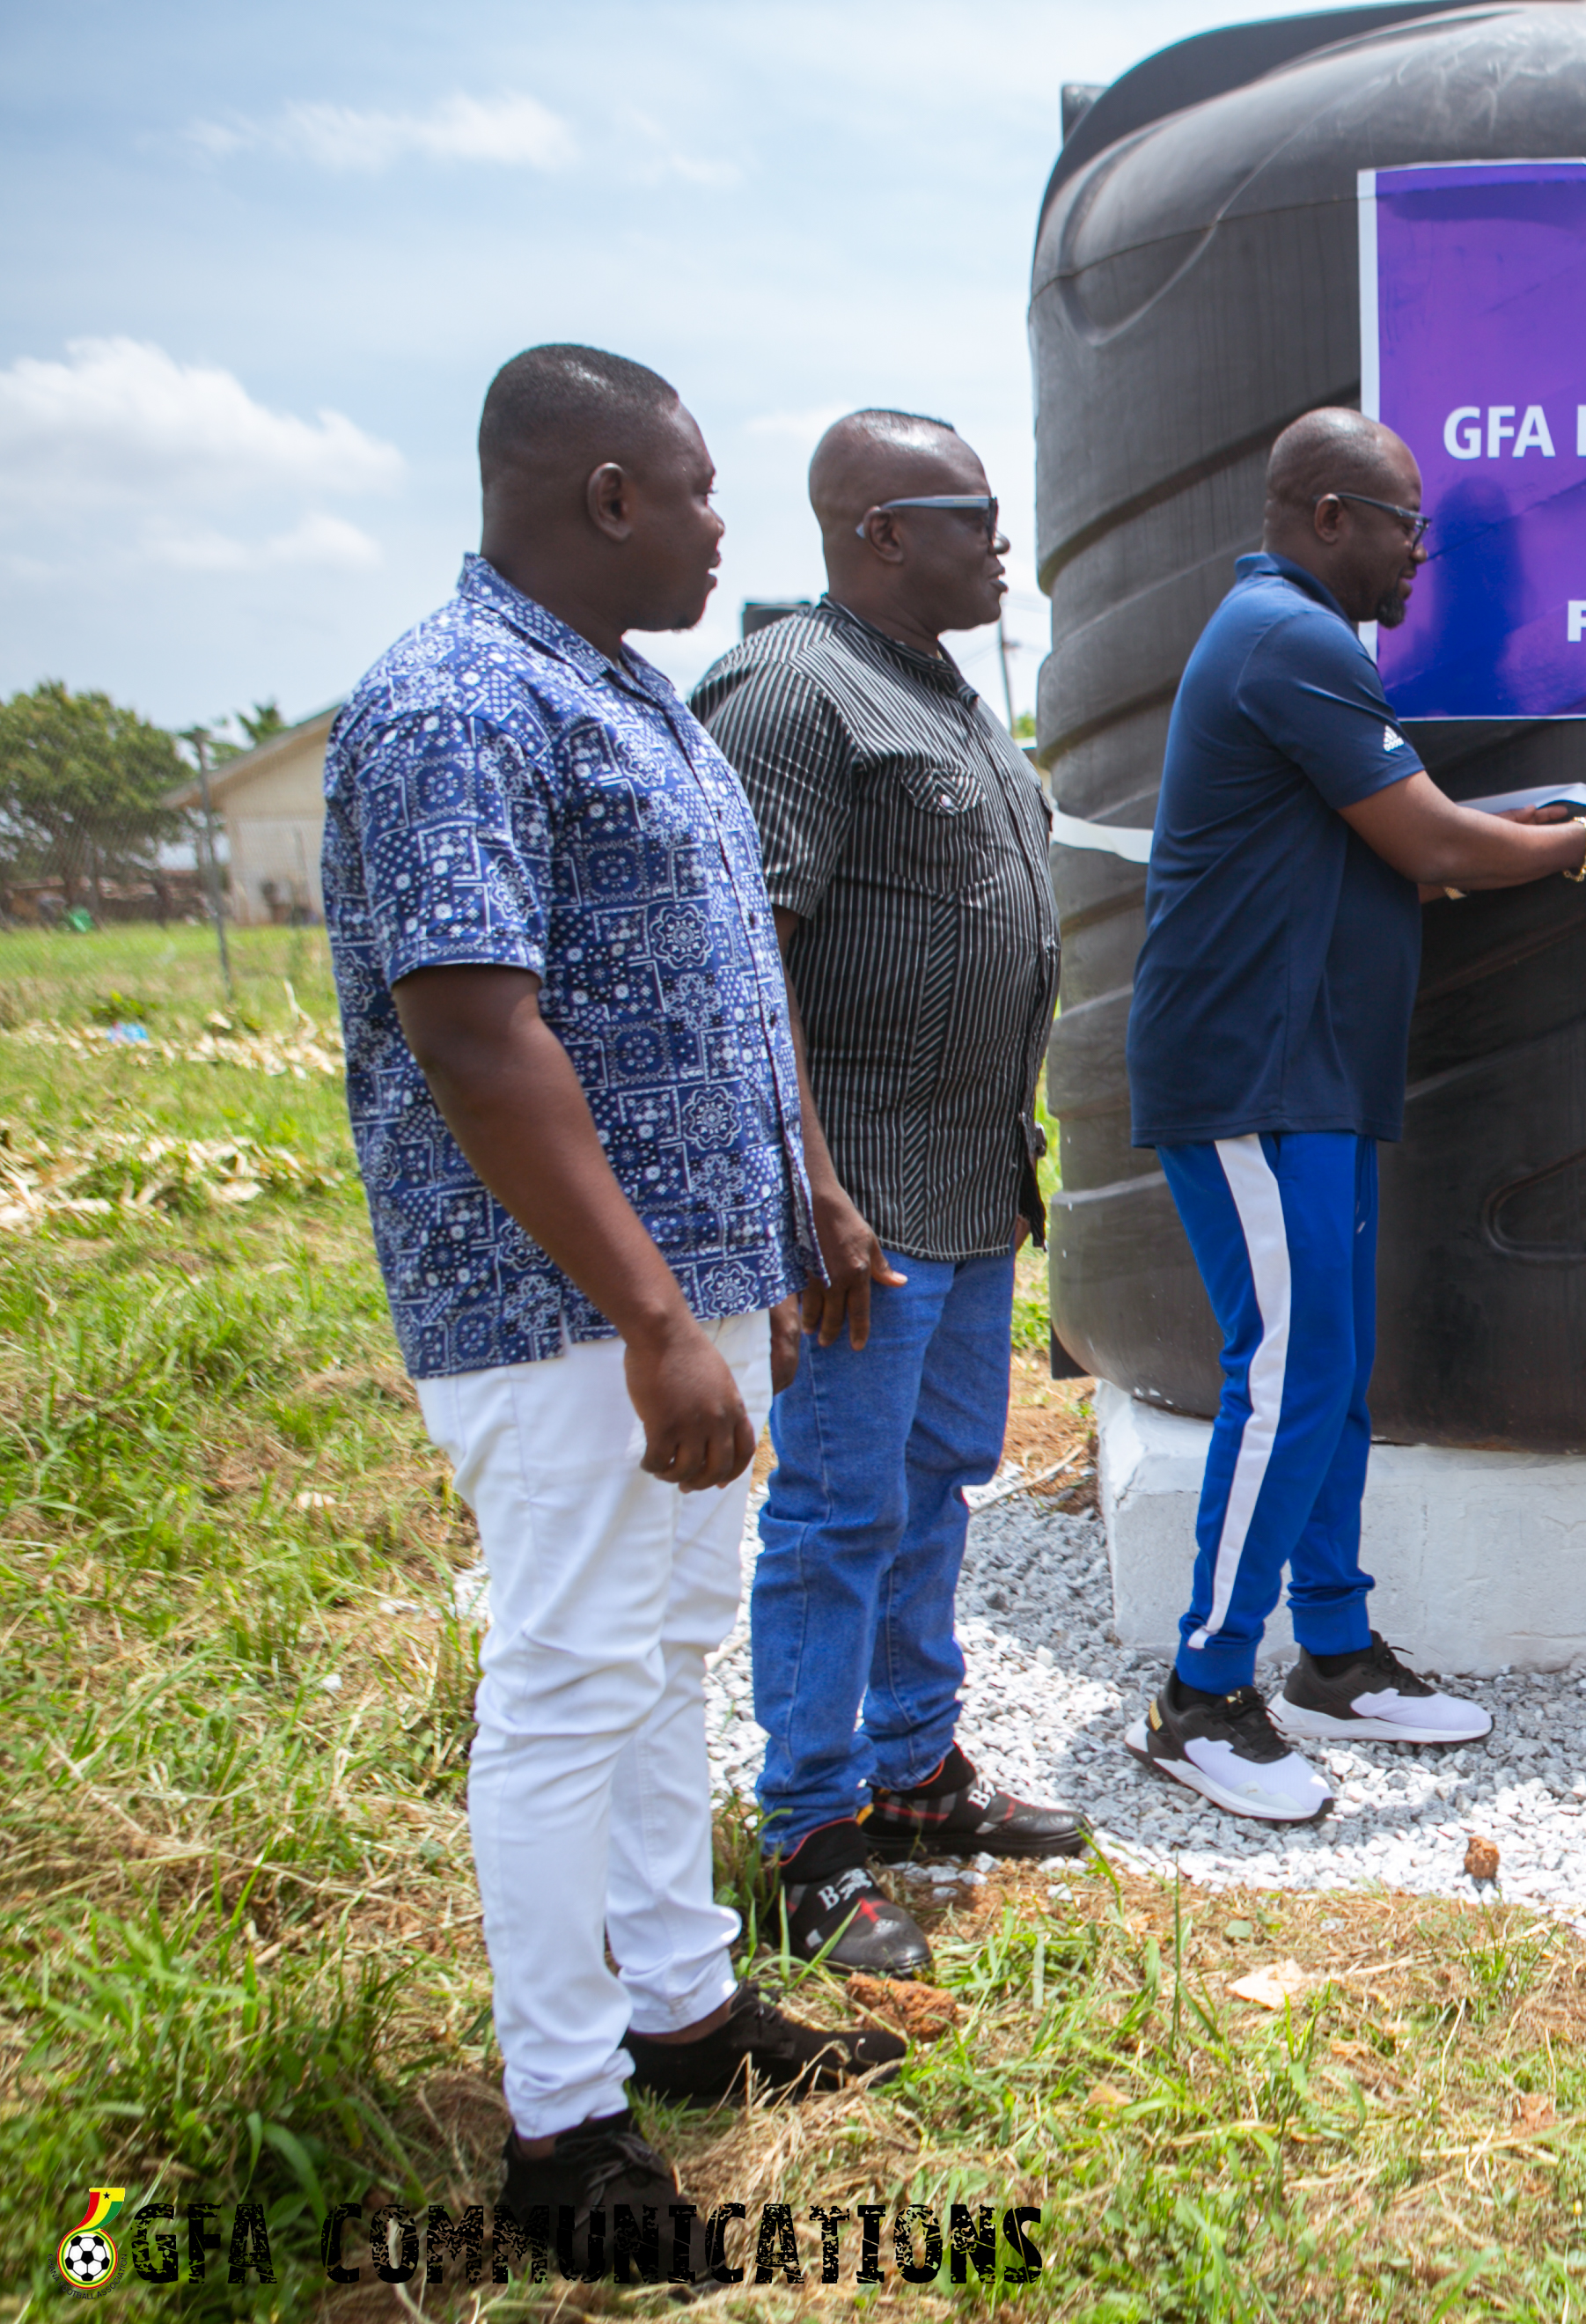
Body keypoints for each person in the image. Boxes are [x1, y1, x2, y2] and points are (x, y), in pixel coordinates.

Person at [321, 345, 903, 2232]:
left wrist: (804, 1194)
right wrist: (656, 1320)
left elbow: (737, 981)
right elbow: (476, 1035)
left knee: (668, 1660)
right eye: (703, 486)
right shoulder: (455, 701)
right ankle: (561, 2129)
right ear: (605, 497)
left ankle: (682, 2000)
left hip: (689, 1292)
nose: (729, 524)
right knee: (569, 1683)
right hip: (562, 1314)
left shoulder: (644, 706)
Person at [1123, 408, 1586, 1822]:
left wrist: (1541, 822)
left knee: (1331, 1374)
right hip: (1253, 1073)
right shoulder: (1285, 635)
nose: (1425, 558)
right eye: (1413, 527)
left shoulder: (1309, 649)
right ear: (1331, 515)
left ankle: (1335, 1657)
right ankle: (1201, 1696)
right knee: (1288, 1373)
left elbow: (1397, 856)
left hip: (1318, 1074)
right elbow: (1429, 840)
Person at [690, 410, 1087, 1980]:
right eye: (972, 514)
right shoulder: (794, 693)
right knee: (840, 1507)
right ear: (875, 531)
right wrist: (814, 1190)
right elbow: (751, 956)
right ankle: (806, 1826)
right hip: (861, 1198)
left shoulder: (950, 696)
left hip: (968, 1182)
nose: (1004, 540)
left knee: (935, 1490)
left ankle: (916, 1772)